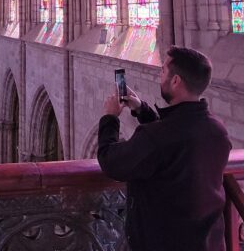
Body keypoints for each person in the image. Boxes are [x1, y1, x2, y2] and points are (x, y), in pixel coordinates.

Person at [97, 47, 232, 251]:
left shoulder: (157, 137)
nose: (159, 76)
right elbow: (175, 138)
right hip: (208, 242)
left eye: (162, 71)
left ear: (176, 80)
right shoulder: (217, 130)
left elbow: (111, 162)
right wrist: (141, 108)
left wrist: (110, 117)